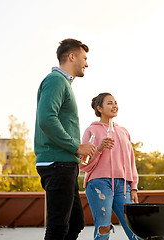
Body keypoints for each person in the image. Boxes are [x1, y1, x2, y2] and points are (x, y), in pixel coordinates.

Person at [34, 38, 96, 240]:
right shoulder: (56, 80)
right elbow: (46, 119)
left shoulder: (63, 83)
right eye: (84, 58)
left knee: (75, 223)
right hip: (57, 163)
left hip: (64, 163)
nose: (86, 63)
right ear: (71, 56)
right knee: (58, 227)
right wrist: (76, 146)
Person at [79, 92, 140, 240]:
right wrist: (99, 149)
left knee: (135, 227)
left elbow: (131, 160)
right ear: (99, 108)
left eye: (115, 102)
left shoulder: (123, 131)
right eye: (110, 103)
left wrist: (133, 186)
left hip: (123, 185)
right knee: (104, 227)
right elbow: (83, 164)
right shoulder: (91, 131)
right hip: (99, 183)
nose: (114, 106)